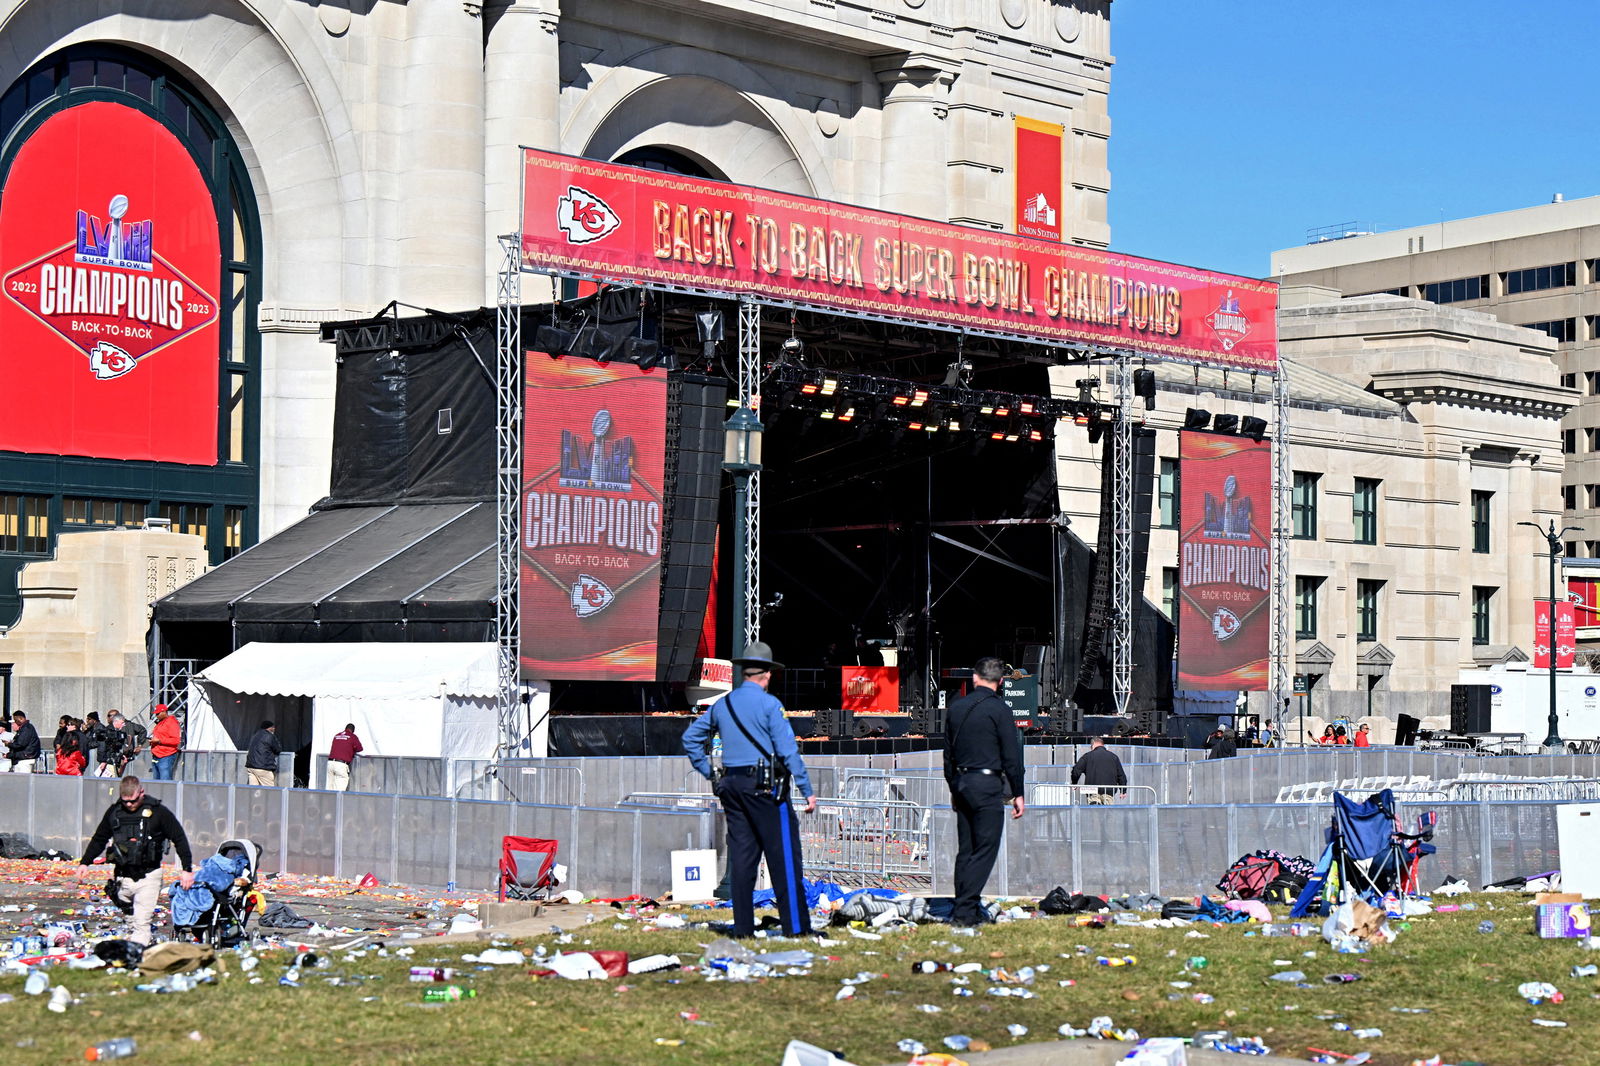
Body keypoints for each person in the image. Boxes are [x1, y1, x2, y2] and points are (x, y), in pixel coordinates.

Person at [683, 642, 817, 938]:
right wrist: (807, 789)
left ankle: (743, 928)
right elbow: (788, 751)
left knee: (743, 860)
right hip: (765, 788)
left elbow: (691, 739)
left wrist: (711, 773)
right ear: (767, 674)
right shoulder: (771, 705)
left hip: (731, 786)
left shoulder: (723, 704)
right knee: (784, 858)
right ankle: (796, 928)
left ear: (744, 672)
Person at [942, 656, 1025, 927]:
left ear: (975, 678)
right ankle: (965, 911)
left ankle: (964, 905)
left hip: (962, 783)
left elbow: (948, 755)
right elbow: (1012, 756)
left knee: (966, 850)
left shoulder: (956, 708)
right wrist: (1018, 792)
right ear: (1000, 682)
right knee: (986, 849)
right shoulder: (1000, 709)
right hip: (987, 785)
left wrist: (953, 786)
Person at [78, 776, 194, 945]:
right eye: (126, 802)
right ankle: (139, 945)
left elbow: (179, 838)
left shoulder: (158, 812)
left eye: (133, 801)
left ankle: (138, 959)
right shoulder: (115, 812)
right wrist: (85, 862)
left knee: (141, 922)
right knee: (130, 917)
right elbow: (99, 838)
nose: (130, 805)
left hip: (149, 875)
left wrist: (187, 869)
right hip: (123, 877)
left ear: (141, 793)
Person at [1070, 736, 1127, 804]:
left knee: (1094, 812)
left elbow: (1076, 771)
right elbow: (1121, 775)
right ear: (1102, 744)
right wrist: (1123, 791)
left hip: (1092, 790)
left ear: (1093, 744)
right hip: (1108, 791)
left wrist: (1074, 783)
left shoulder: (1087, 756)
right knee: (1106, 813)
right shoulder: (1114, 757)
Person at [148, 704, 182, 780]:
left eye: (158, 713)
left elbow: (176, 740)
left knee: (165, 781)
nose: (156, 715)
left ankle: (167, 792)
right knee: (157, 781)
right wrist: (152, 741)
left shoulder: (172, 722)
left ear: (164, 712)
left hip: (166, 756)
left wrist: (159, 741)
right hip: (156, 755)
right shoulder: (160, 723)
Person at [327, 723, 364, 792]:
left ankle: (328, 802)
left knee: (329, 789)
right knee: (339, 791)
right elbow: (360, 749)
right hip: (341, 765)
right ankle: (337, 802)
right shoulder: (352, 736)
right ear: (353, 730)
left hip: (330, 763)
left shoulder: (337, 735)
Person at [245, 720, 281, 787]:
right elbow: (278, 750)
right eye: (273, 727)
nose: (274, 729)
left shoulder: (255, 735)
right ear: (269, 728)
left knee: (253, 790)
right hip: (263, 767)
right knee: (269, 791)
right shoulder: (270, 736)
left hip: (251, 767)